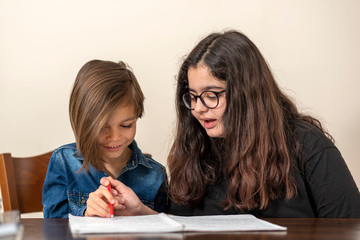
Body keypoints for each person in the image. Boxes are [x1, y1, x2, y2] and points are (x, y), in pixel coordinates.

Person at [166, 30, 360, 217]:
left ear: (246, 94)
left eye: (211, 95)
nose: (198, 108)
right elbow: (179, 227)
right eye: (192, 97)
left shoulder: (308, 144)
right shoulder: (194, 150)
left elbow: (349, 227)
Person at [42, 60, 167, 218]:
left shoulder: (156, 174)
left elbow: (165, 229)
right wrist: (85, 215)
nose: (114, 137)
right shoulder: (63, 162)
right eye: (102, 128)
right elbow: (52, 228)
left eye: (127, 125)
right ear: (82, 122)